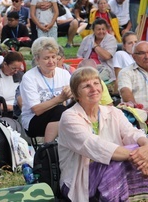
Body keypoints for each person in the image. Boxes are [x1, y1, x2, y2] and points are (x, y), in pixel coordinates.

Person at [58, 67, 148, 201]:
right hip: (79, 180)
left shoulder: (113, 112)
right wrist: (139, 155)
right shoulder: (69, 117)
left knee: (126, 158)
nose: (93, 89)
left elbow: (131, 133)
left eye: (96, 83)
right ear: (77, 94)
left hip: (114, 170)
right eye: (86, 86)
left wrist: (146, 146)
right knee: (116, 165)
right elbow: (96, 146)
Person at [20, 37, 72, 142]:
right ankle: (47, 148)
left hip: (60, 115)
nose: (51, 61)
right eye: (46, 58)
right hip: (33, 121)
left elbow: (70, 101)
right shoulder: (29, 77)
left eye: (53, 57)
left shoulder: (64, 73)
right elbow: (37, 110)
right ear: (37, 59)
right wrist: (59, 99)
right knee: (60, 110)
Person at [77, 18, 117, 83]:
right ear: (93, 30)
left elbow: (107, 56)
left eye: (103, 29)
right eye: (98, 29)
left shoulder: (111, 39)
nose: (101, 31)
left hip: (104, 68)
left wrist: (95, 46)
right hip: (87, 67)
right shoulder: (87, 39)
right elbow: (79, 56)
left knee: (93, 79)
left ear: (106, 29)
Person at [118, 41, 148, 109]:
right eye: (142, 53)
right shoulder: (126, 72)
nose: (146, 56)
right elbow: (125, 92)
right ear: (134, 57)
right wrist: (138, 110)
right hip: (139, 114)